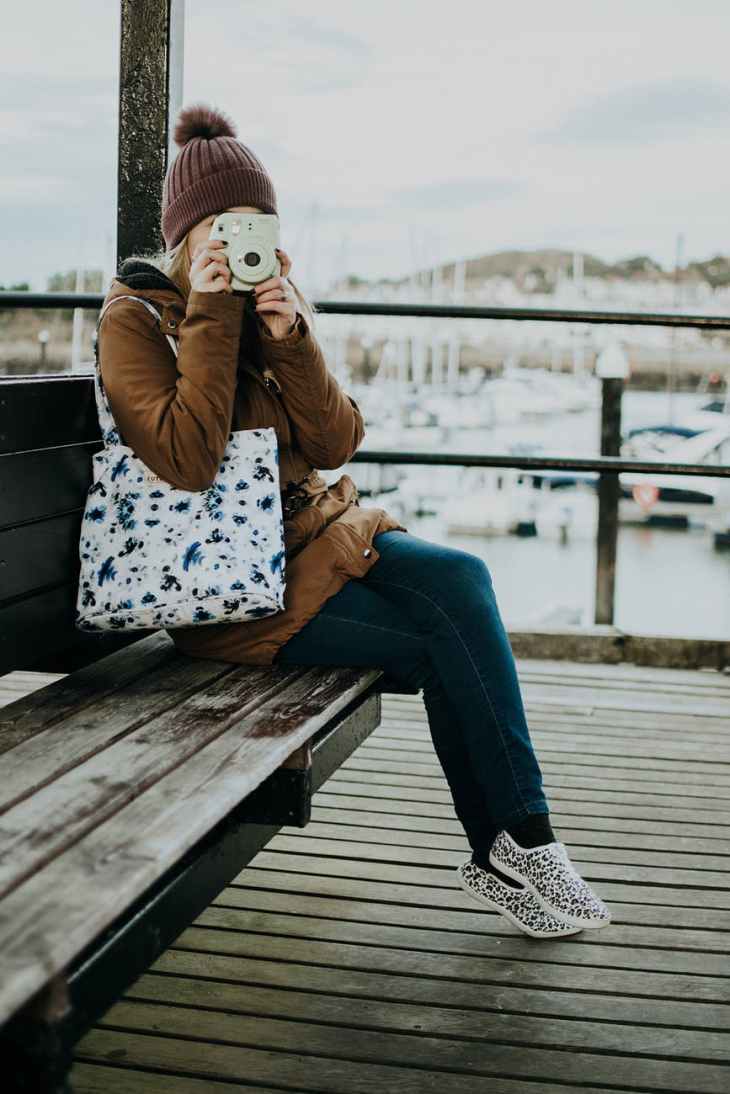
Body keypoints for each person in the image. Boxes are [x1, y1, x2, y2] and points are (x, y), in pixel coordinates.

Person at [97, 101, 611, 940]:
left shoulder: (265, 312)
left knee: (462, 578)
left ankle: (519, 842)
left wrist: (291, 335)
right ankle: (518, 845)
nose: (247, 241)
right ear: (190, 234)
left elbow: (335, 440)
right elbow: (188, 463)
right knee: (445, 641)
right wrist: (216, 319)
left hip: (319, 541)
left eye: (263, 224)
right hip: (234, 593)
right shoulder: (137, 318)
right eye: (230, 226)